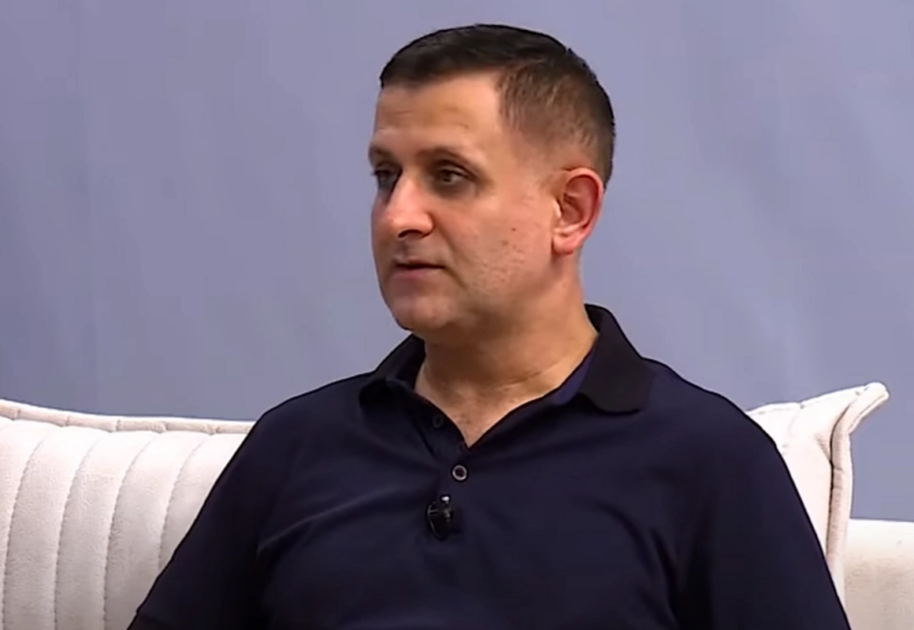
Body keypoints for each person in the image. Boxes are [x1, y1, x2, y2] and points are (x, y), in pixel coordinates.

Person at [128, 23, 851, 630]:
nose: (398, 216)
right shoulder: (296, 445)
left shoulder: (709, 461)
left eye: (449, 176)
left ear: (570, 211)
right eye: (386, 176)